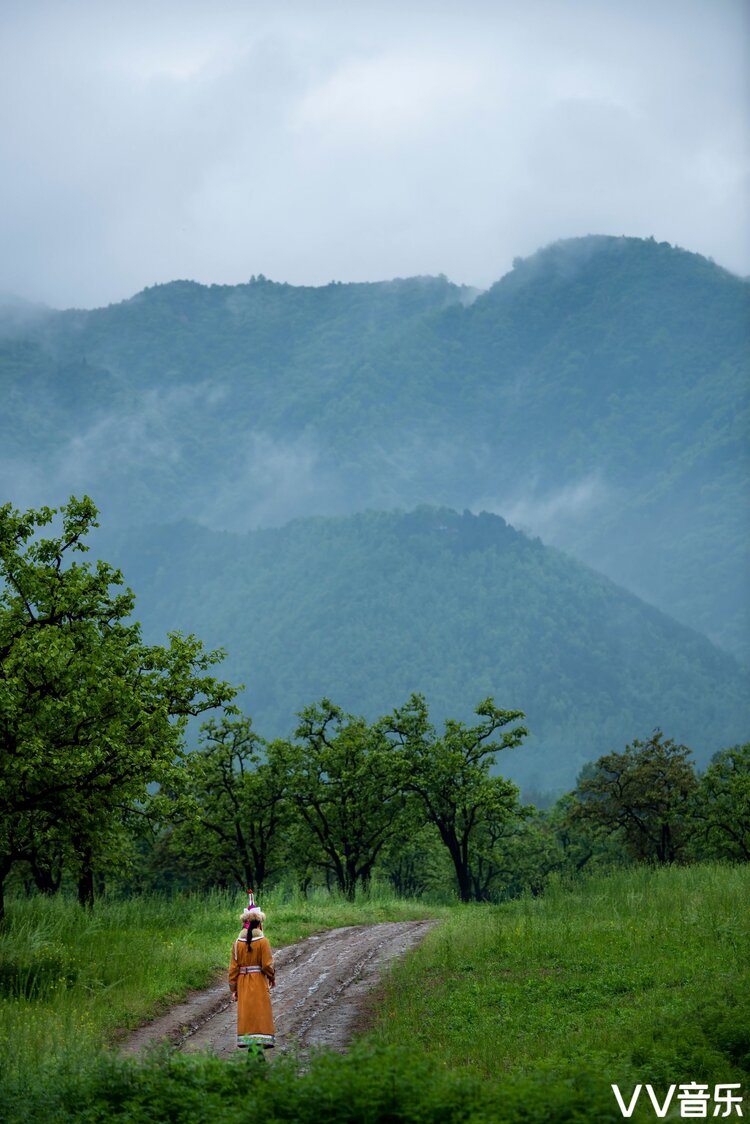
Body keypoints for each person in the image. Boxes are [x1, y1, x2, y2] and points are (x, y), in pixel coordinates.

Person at [228, 890, 276, 1050]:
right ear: (259, 923)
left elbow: (233, 969)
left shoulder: (237, 943)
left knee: (247, 1015)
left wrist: (233, 988)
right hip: (258, 981)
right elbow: (267, 965)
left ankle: (251, 1048)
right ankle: (257, 1050)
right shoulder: (263, 941)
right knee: (260, 1014)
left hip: (243, 983)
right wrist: (272, 977)